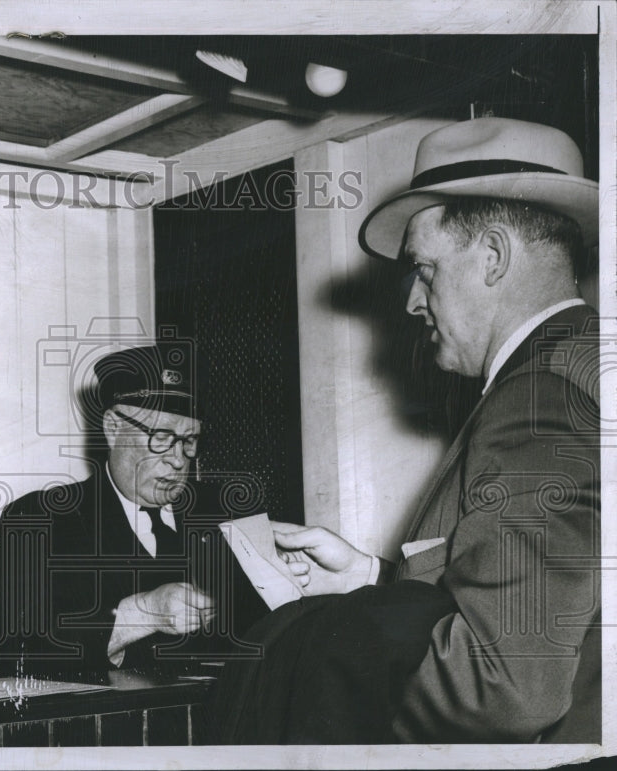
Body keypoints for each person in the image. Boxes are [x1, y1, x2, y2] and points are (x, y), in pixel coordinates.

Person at [211, 117, 600, 743]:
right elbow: (547, 598)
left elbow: (506, 683)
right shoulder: (588, 365)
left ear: (493, 257)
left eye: (426, 269)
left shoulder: (535, 400)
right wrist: (372, 579)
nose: (413, 301)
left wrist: (335, 642)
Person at [0, 343, 262, 678]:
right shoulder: (44, 519)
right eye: (161, 436)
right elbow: (11, 655)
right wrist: (141, 614)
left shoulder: (226, 511)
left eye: (189, 440)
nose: (178, 458)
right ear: (113, 429)